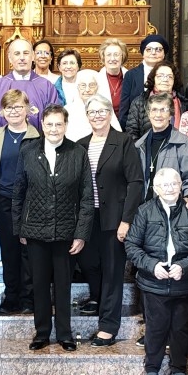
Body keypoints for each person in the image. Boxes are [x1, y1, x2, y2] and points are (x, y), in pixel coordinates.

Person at [11, 105, 93, 351]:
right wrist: (20, 229)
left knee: (63, 285)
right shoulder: (28, 151)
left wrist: (81, 234)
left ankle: (65, 334)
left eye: (59, 124)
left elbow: (87, 196)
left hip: (66, 232)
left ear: (66, 126)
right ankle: (42, 332)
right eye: (49, 124)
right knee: (39, 284)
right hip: (35, 231)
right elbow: (18, 192)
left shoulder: (78, 152)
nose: (54, 129)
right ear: (42, 125)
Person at [125, 167, 188, 375]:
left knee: (181, 328)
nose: (170, 188)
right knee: (155, 328)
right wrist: (152, 265)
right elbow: (132, 246)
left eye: (174, 183)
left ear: (181, 185)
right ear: (155, 189)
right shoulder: (145, 211)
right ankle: (152, 369)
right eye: (164, 185)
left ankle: (178, 370)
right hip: (154, 282)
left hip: (185, 282)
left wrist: (184, 266)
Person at [76, 96, 143, 345]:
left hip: (114, 219)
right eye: (92, 112)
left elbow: (136, 183)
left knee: (113, 272)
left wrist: (127, 220)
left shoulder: (124, 142)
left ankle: (108, 327)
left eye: (102, 111)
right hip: (88, 218)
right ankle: (99, 303)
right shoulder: (80, 145)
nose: (97, 116)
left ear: (110, 113)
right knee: (89, 263)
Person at [0, 89, 41, 316]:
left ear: (27, 109)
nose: (14, 111)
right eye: (9, 107)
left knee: (29, 252)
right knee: (9, 252)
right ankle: (11, 297)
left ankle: (29, 298)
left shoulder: (39, 136)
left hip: (32, 202)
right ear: (2, 111)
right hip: (4, 201)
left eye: (18, 106)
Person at [0, 38, 62, 132]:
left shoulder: (46, 86)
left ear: (33, 56)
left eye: (26, 53)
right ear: (10, 58)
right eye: (17, 53)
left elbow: (54, 119)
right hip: (4, 144)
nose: (22, 58)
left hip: (38, 144)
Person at [135, 92, 188, 206]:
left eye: (163, 110)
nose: (158, 114)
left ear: (170, 114)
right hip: (145, 208)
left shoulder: (183, 143)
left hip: (172, 206)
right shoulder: (139, 145)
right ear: (148, 114)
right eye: (154, 110)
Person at [125, 63, 188, 141]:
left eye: (169, 77)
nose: (165, 80)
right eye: (160, 76)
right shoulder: (139, 102)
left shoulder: (184, 103)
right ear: (153, 79)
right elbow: (132, 132)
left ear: (174, 80)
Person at [119, 35, 168, 128]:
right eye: (149, 49)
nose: (153, 53)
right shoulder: (131, 75)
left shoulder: (171, 73)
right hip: (136, 129)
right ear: (143, 53)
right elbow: (124, 108)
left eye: (158, 49)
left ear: (164, 54)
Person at [66, 70, 120, 141]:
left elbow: (117, 136)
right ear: (77, 87)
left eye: (92, 85)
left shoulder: (106, 108)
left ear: (97, 87)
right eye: (83, 85)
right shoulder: (67, 110)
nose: (87, 89)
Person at [100, 39, 127, 116]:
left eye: (116, 54)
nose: (112, 58)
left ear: (122, 57)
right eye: (108, 55)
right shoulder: (96, 79)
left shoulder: (131, 78)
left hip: (126, 123)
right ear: (103, 57)